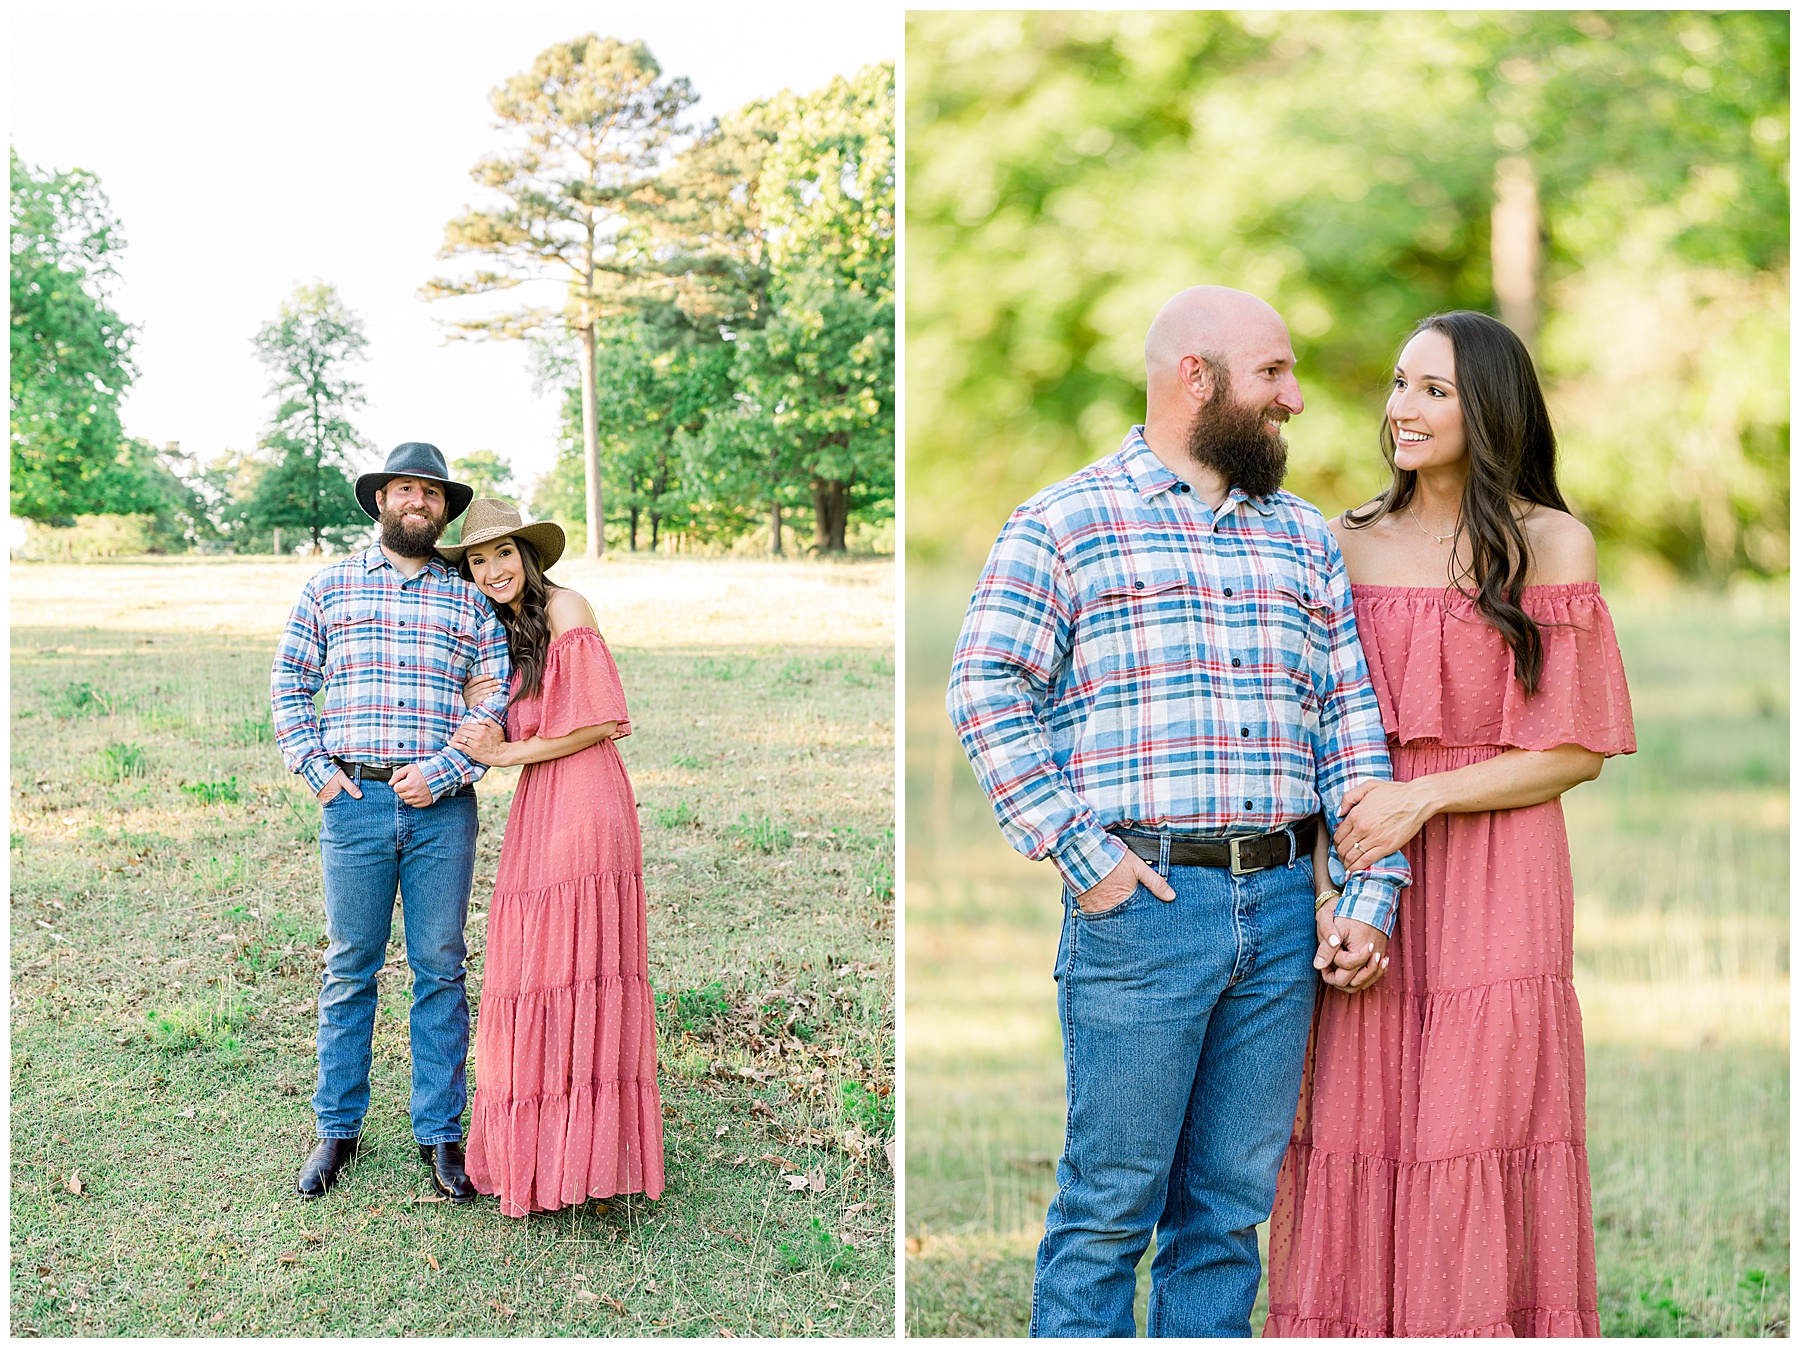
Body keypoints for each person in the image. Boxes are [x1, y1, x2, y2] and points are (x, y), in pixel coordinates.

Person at [946, 285, 1411, 1338]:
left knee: (1230, 1215)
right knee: (1110, 1209)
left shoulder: (1299, 536)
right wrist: (1084, 855)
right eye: (1274, 373)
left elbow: (1348, 723)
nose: (1295, 398)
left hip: (1288, 908)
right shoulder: (1067, 521)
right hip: (1143, 910)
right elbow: (984, 688)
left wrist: (1371, 890)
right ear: (1195, 378)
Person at [1263, 311, 1636, 1337]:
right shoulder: (1343, 543)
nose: (1402, 408)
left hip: (1500, 869)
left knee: (1481, 1121)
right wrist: (1334, 887)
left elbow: (1577, 748)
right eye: (1397, 384)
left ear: (1492, 406)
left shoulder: (1553, 541)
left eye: (1435, 389)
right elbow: (1310, 737)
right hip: (1361, 868)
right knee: (1355, 1118)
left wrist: (1424, 797)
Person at [271, 442, 512, 1202]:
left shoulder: (467, 598)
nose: (419, 503)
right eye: (405, 490)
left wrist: (444, 770)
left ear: (445, 509)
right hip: (355, 804)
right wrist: (321, 775)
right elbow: (288, 684)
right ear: (380, 501)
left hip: (443, 811)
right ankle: (336, 1129)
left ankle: (441, 1135)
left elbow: (493, 697)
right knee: (350, 968)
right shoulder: (329, 588)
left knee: (440, 968)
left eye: (432, 494)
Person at [436, 497, 665, 1217]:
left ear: (530, 556)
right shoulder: (504, 631)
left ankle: (585, 1160)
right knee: (534, 969)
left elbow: (595, 721)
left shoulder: (568, 607)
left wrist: (507, 752)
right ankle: (540, 1156)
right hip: (541, 801)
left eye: (504, 554)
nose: (493, 569)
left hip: (585, 798)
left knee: (576, 964)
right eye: (478, 560)